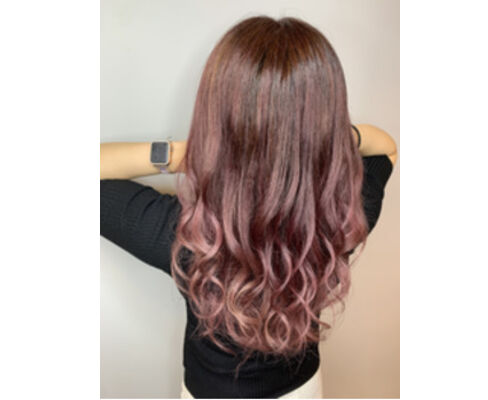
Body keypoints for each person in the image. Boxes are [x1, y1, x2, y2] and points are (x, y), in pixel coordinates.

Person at [100, 15, 397, 399]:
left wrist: (191, 155)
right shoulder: (341, 219)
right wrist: (319, 144)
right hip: (303, 389)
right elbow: (385, 147)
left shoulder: (186, 237)